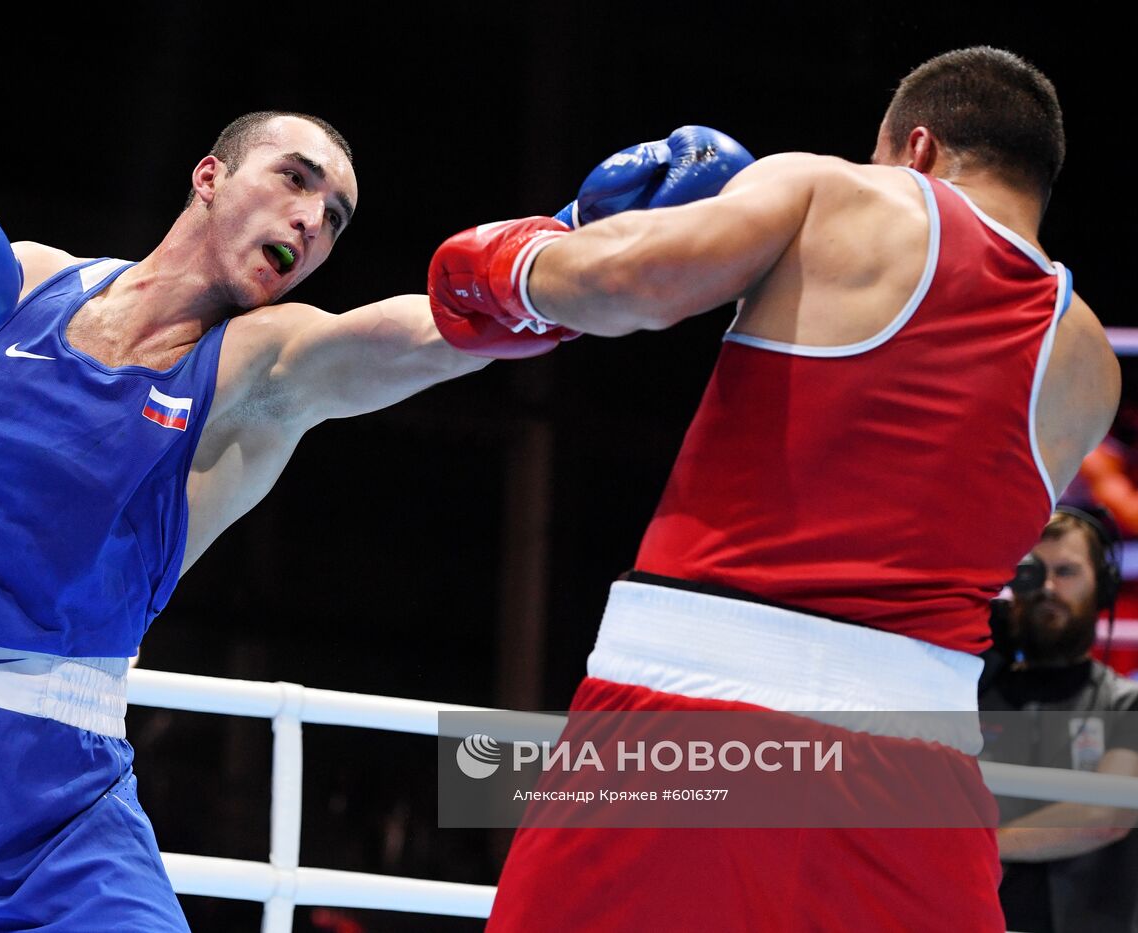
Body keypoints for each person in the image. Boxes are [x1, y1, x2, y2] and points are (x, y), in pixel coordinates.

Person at [0, 110, 748, 930]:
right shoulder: (25, 281)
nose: (313, 221)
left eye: (338, 217)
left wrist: (568, 241)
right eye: (296, 179)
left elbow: (411, 339)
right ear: (209, 176)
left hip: (56, 791)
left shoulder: (257, 368)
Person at [429, 47, 1120, 931]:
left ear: (915, 150)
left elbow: (627, 281)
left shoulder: (840, 192)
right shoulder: (1091, 366)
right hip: (921, 774)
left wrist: (509, 261)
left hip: (694, 720)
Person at [980, 507, 1138, 933]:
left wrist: (972, 849)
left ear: (1102, 586)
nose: (1048, 588)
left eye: (1066, 571)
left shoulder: (1128, 703)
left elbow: (1103, 817)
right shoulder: (970, 694)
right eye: (1033, 572)